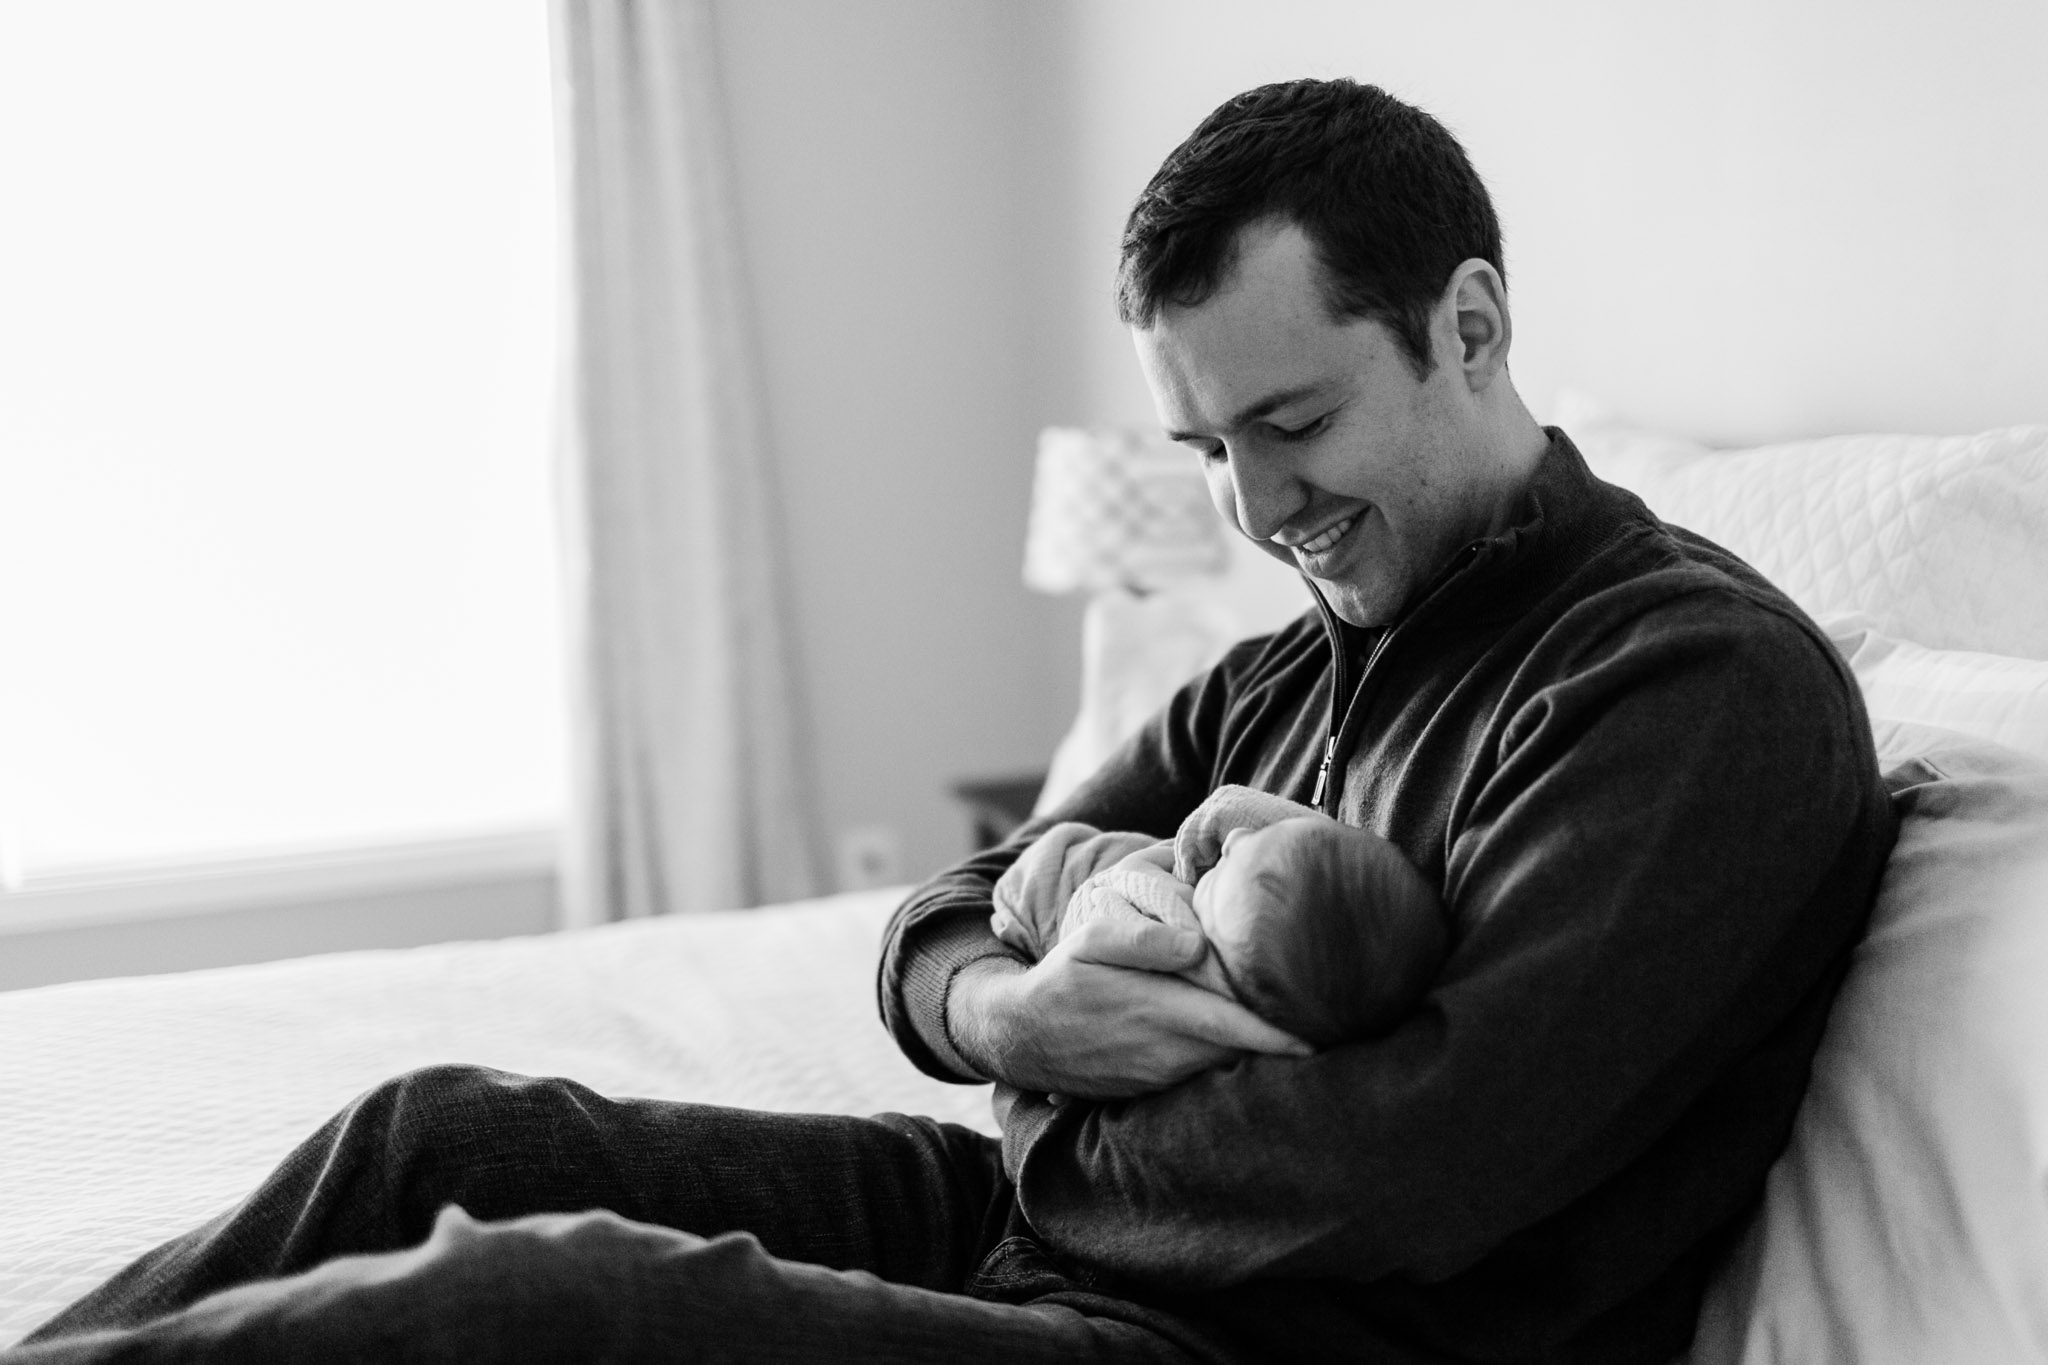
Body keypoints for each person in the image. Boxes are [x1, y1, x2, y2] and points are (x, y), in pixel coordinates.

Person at [7, 78, 1896, 1364]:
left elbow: (1415, 1168)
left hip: (1233, 1346)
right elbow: (943, 913)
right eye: (1205, 446)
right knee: (438, 1138)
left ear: (1466, 327)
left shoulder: (1688, 691)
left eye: (1294, 426)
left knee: (527, 1307)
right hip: (1042, 1229)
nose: (1251, 511)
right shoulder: (1298, 656)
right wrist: (1006, 1013)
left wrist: (1039, 1124)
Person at [989, 787, 1447, 1047]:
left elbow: (1100, 900)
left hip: (1037, 898)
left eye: (1221, 873)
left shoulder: (1185, 949)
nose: (1235, 836)